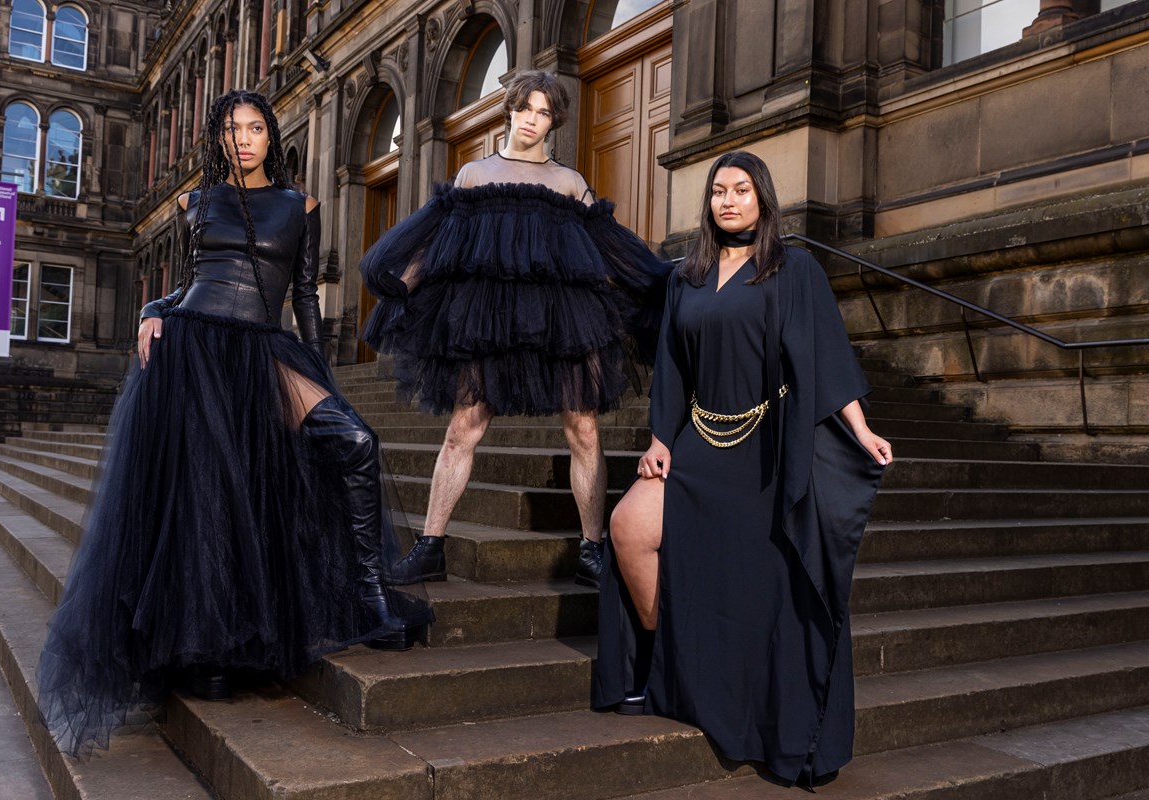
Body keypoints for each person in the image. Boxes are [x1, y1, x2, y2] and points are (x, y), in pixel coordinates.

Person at [36, 89, 432, 758]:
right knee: (206, 498)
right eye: (232, 129)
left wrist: (318, 368)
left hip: (262, 349)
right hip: (192, 348)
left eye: (254, 128)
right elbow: (195, 280)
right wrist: (150, 310)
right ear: (219, 139)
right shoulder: (198, 202)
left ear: (269, 137)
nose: (243, 138)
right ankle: (205, 648)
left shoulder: (299, 205)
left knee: (356, 442)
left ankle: (370, 595)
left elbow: (303, 294)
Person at [592, 151, 892, 789]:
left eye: (742, 190)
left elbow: (826, 356)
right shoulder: (686, 276)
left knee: (761, 584)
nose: (728, 200)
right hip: (698, 438)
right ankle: (665, 660)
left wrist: (862, 431)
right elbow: (672, 365)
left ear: (763, 199)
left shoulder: (793, 268)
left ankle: (754, 710)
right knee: (630, 526)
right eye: (719, 191)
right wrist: (658, 440)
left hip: (769, 444)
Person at [359, 70, 669, 588]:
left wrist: (659, 281)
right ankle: (431, 545)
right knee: (463, 428)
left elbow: (607, 245)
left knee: (584, 431)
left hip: (561, 323)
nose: (532, 119)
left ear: (554, 121)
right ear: (510, 109)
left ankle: (592, 550)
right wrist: (400, 285)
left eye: (544, 112)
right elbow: (439, 248)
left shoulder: (569, 183)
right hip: (490, 323)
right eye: (526, 107)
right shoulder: (475, 175)